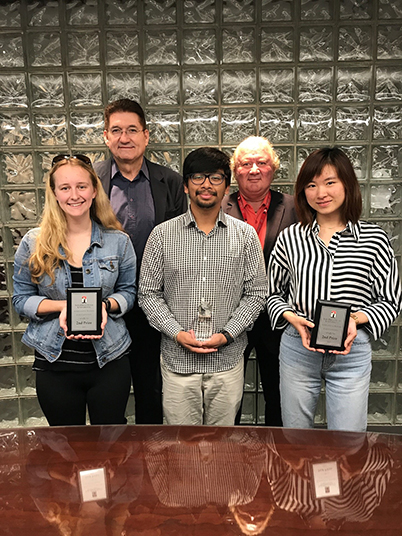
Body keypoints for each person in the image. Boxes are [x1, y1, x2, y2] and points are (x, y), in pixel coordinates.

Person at [267, 147, 402, 432]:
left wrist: (355, 321)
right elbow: (271, 294)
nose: (320, 193)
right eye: (311, 185)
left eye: (330, 182)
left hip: (351, 354)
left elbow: (391, 301)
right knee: (296, 436)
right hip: (298, 350)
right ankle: (302, 479)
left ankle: (342, 480)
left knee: (349, 440)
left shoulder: (373, 239)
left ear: (347, 184)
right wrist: (292, 317)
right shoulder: (291, 238)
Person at [138, 147, 267, 426]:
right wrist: (175, 333)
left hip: (227, 362)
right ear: (185, 185)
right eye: (197, 177)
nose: (206, 185)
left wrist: (228, 334)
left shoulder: (245, 236)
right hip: (177, 363)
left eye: (216, 178)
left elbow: (256, 293)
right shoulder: (161, 236)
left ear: (227, 187)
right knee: (183, 447)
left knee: (222, 449)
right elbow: (148, 293)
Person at [13, 155, 136, 426]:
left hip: (109, 361)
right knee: (65, 450)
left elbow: (128, 293)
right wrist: (62, 307)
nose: (74, 195)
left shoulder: (119, 242)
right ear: (55, 193)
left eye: (81, 186)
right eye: (65, 188)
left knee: (109, 446)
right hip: (54, 363)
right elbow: (21, 300)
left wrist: (104, 306)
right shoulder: (33, 243)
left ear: (94, 190)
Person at [94, 99, 187, 425]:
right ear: (106, 137)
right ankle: (111, 462)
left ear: (146, 136)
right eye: (116, 130)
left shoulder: (171, 182)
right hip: (105, 304)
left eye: (132, 130)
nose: (125, 137)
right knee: (108, 391)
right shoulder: (91, 181)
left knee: (152, 388)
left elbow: (181, 243)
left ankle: (151, 460)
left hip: (155, 301)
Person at [223, 136, 297, 426]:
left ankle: (278, 461)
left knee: (279, 395)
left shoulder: (295, 208)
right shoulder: (218, 207)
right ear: (235, 170)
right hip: (230, 316)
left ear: (273, 168)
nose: (254, 169)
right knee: (229, 396)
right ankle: (229, 459)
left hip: (278, 318)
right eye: (245, 163)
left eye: (261, 162)